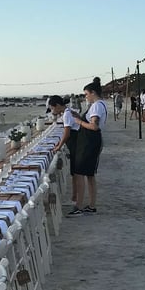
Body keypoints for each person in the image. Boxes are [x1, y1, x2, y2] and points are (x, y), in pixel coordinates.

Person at [68, 76, 107, 216]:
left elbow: (94, 126)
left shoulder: (96, 105)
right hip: (92, 141)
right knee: (90, 175)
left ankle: (78, 206)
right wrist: (77, 116)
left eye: (86, 94)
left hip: (90, 142)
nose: (86, 97)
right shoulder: (100, 104)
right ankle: (91, 206)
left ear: (93, 93)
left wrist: (78, 122)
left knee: (80, 173)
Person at [48, 95, 80, 208]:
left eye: (52, 108)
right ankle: (75, 197)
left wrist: (59, 146)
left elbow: (67, 134)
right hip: (75, 142)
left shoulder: (66, 114)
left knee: (75, 172)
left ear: (57, 105)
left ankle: (75, 199)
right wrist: (59, 143)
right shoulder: (68, 111)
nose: (52, 111)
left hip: (75, 143)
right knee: (75, 172)